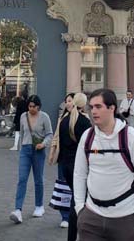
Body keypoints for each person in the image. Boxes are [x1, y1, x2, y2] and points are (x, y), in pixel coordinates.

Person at [74, 88, 134, 241]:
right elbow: (79, 173)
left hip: (126, 219)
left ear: (112, 108)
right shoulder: (87, 137)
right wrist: (79, 208)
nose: (93, 111)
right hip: (91, 218)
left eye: (98, 106)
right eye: (91, 107)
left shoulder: (131, 138)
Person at [10, 94, 53, 224]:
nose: (31, 108)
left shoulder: (44, 117)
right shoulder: (23, 116)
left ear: (39, 106)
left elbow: (50, 134)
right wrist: (21, 147)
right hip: (26, 150)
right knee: (22, 179)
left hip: (38, 150)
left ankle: (39, 206)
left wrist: (44, 144)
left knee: (38, 179)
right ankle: (18, 210)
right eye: (29, 106)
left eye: (33, 106)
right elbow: (22, 134)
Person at [56, 92, 91, 241]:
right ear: (84, 104)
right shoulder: (85, 122)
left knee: (76, 199)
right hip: (79, 166)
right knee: (78, 201)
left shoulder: (64, 121)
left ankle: (73, 236)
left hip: (65, 165)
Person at [50, 93, 75, 229]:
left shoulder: (83, 118)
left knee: (75, 187)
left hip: (76, 159)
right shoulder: (62, 118)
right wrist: (52, 153)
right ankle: (64, 216)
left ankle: (75, 213)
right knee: (63, 186)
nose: (68, 103)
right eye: (66, 101)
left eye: (70, 101)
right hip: (63, 158)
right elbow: (56, 136)